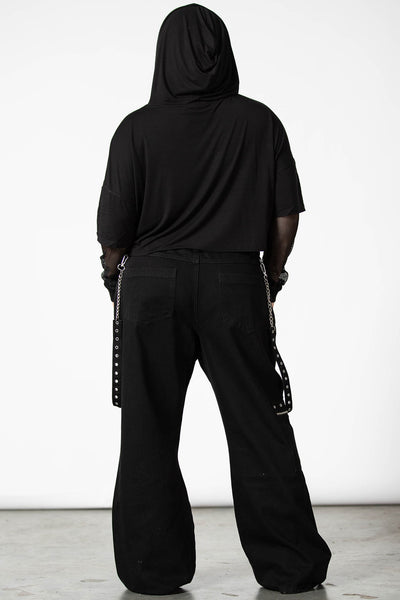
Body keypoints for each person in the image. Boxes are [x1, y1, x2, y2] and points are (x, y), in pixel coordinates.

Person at [96, 3, 332, 595]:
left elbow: (113, 232)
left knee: (148, 428)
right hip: (235, 282)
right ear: (224, 53)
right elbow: (285, 216)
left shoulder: (135, 129)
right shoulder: (259, 122)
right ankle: (291, 567)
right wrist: (271, 275)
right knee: (259, 424)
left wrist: (114, 277)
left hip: (151, 285)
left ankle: (152, 570)